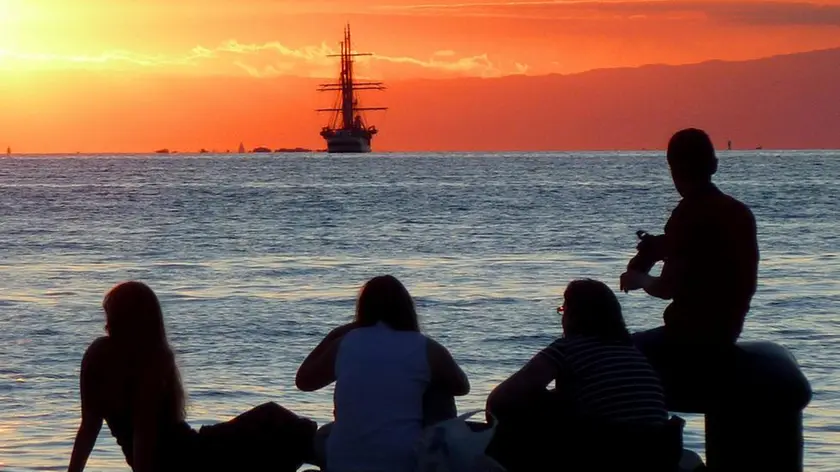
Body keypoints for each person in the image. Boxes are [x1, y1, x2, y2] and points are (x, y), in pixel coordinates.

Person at [67, 281, 317, 472]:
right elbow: (143, 433)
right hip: (189, 459)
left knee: (274, 424)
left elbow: (89, 426)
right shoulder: (149, 360)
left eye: (109, 315)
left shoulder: (96, 355)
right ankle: (337, 454)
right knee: (275, 421)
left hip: (183, 456)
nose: (106, 322)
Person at [620, 128, 759, 407]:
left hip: (688, 342)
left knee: (608, 355)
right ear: (714, 165)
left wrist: (639, 278)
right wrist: (662, 247)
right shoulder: (738, 212)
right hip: (727, 334)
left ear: (674, 170)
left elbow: (667, 288)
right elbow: (707, 258)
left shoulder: (688, 215)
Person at [486, 279, 677, 472]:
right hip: (659, 452)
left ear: (571, 314)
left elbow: (501, 399)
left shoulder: (568, 348)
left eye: (563, 309)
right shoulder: (632, 352)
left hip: (607, 451)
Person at [295, 275, 470, 472]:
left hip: (343, 460)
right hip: (404, 461)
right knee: (439, 389)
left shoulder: (346, 343)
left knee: (326, 434)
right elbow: (462, 386)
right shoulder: (425, 347)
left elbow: (304, 381)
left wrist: (340, 332)